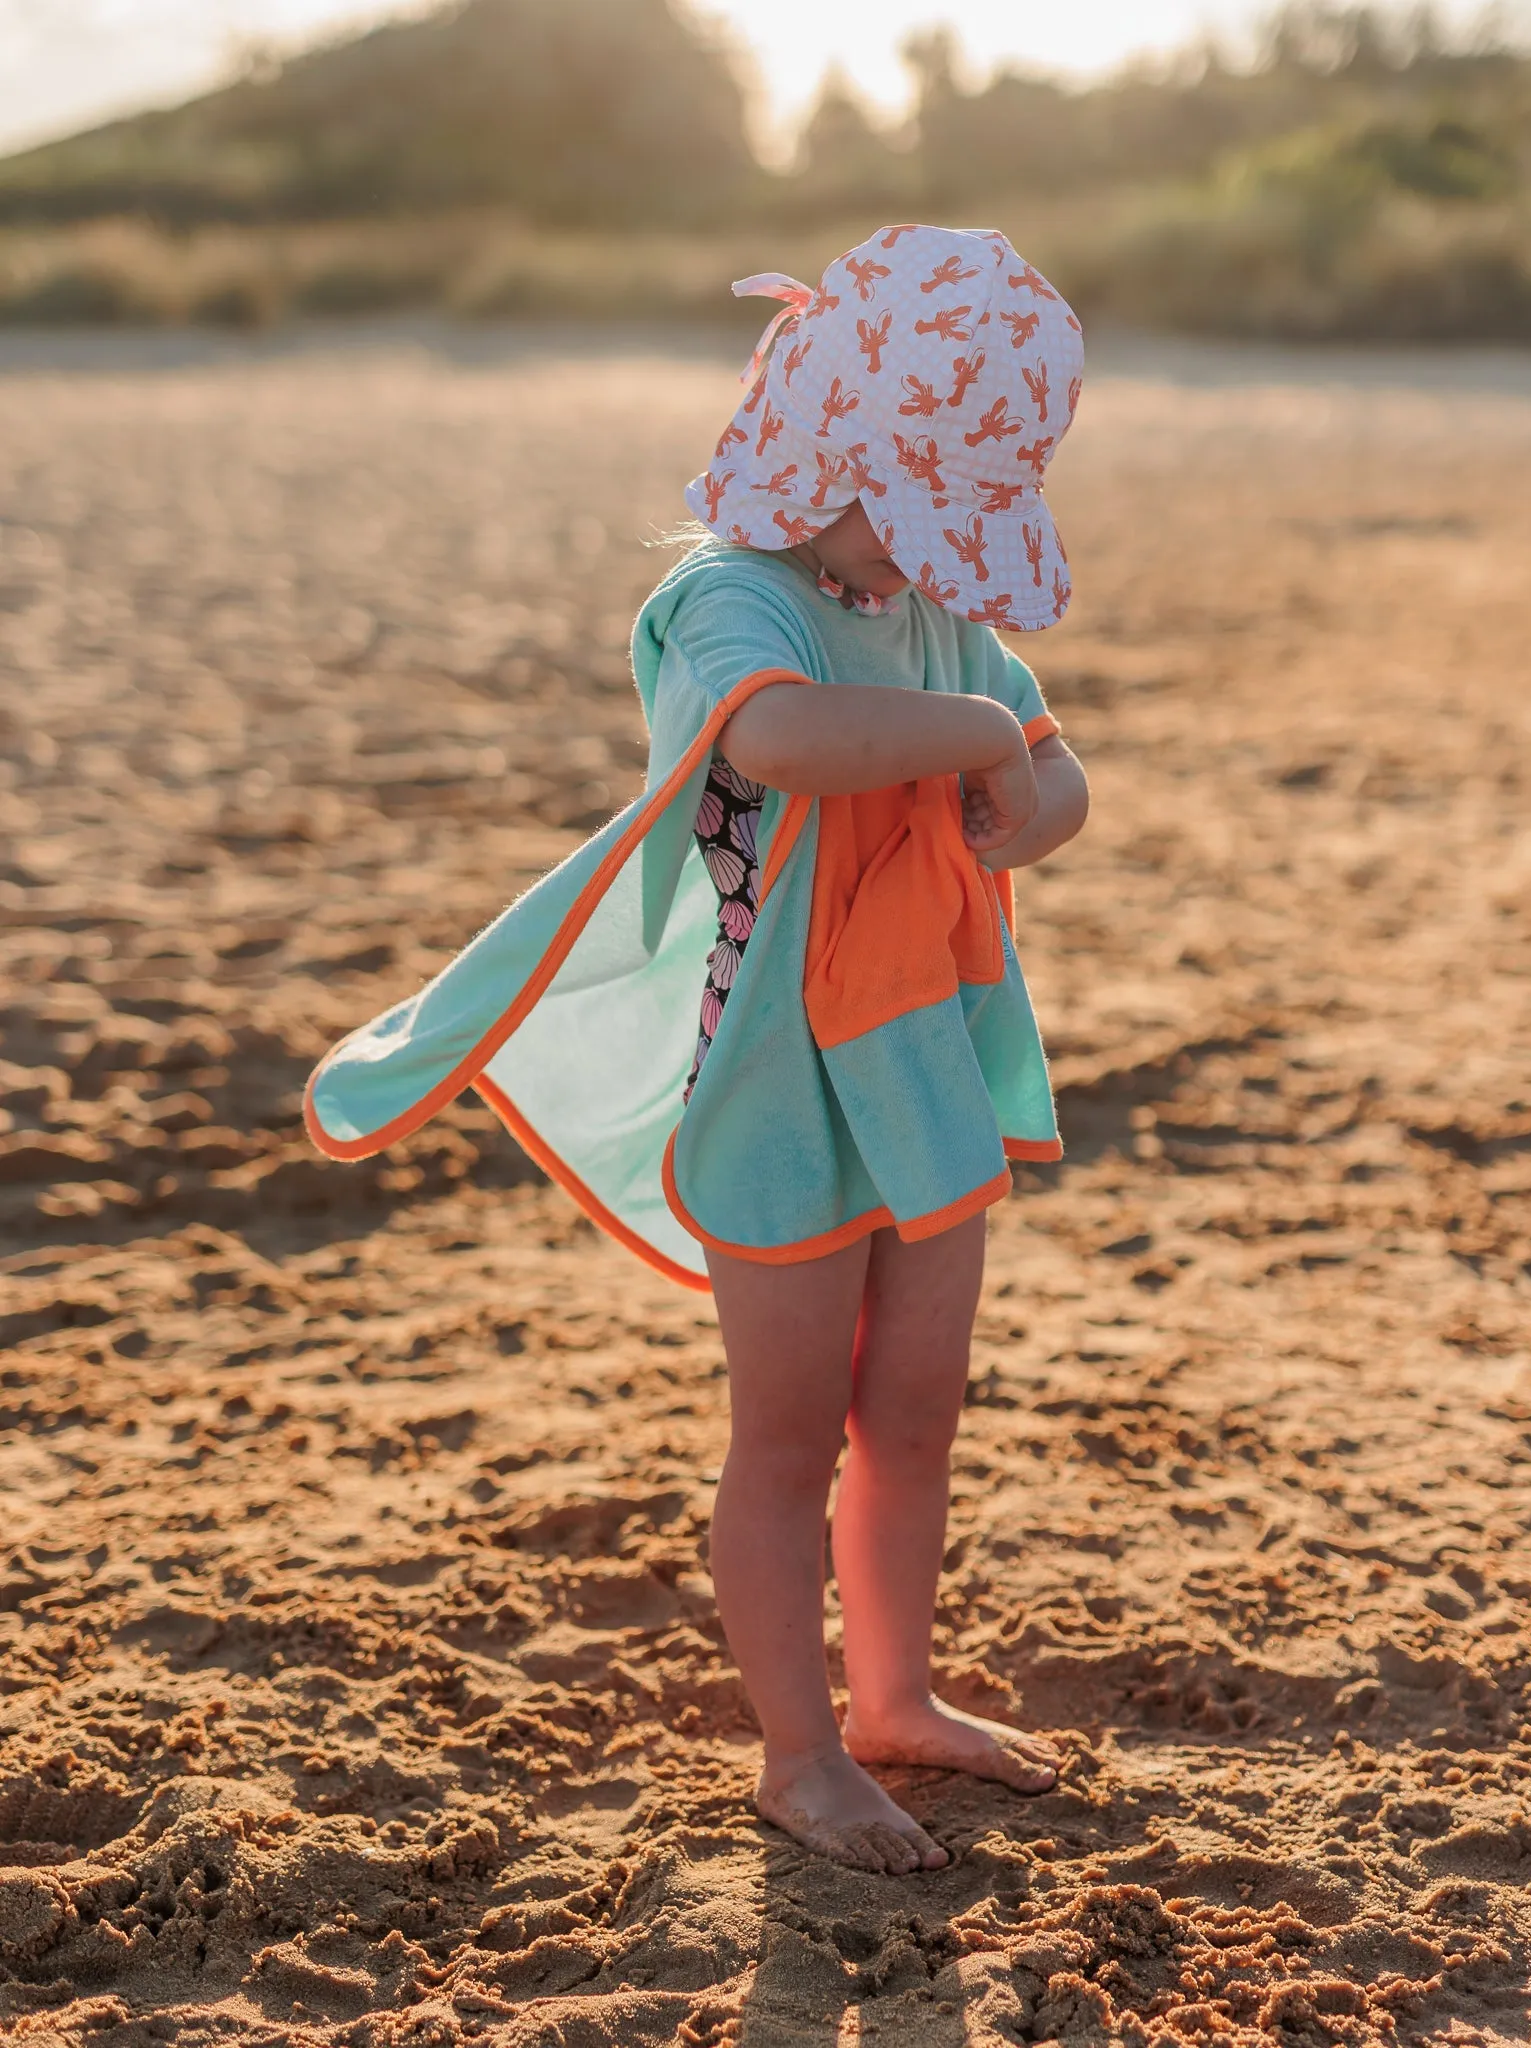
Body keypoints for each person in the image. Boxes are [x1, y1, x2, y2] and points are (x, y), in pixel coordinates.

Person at [305, 224, 1089, 1876]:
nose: (934, 566)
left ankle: (892, 1697)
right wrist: (963, 739)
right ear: (831, 461)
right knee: (790, 1429)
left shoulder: (934, 609)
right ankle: (798, 1756)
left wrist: (1032, 794)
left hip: (925, 1063)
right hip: (778, 1090)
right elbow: (788, 740)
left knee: (917, 1411)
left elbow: (1048, 765)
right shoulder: (724, 601)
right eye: (925, 518)